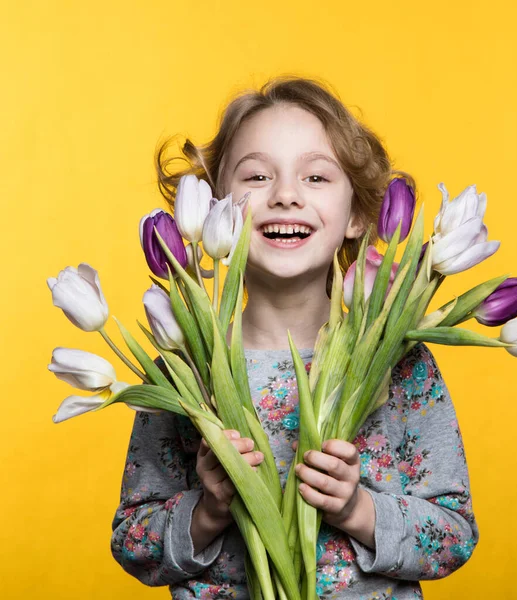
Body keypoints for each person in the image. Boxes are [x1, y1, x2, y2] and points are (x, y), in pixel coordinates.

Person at [110, 76, 479, 599]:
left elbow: (455, 536)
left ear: (355, 215)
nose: (285, 195)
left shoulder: (397, 361)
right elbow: (132, 540)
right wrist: (208, 508)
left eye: (316, 177)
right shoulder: (184, 367)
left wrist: (358, 510)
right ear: (216, 208)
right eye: (257, 176)